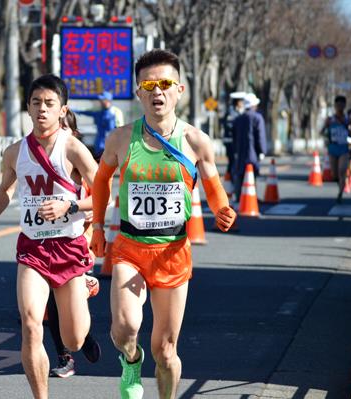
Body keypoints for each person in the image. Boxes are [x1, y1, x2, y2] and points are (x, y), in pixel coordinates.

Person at [90, 49, 237, 399]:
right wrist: (96, 227)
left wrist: (223, 208)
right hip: (130, 248)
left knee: (166, 351)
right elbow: (100, 182)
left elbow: (214, 187)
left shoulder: (196, 141)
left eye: (165, 84)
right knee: (124, 328)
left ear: (179, 90)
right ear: (138, 91)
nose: (158, 92)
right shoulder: (121, 138)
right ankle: (130, 361)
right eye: (149, 85)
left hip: (173, 252)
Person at [0, 74, 98, 398]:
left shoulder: (73, 149)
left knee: (72, 339)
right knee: (31, 324)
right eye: (36, 103)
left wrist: (69, 204)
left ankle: (83, 292)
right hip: (33, 248)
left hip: (69, 247)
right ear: (28, 108)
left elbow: (105, 194)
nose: (41, 110)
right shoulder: (15, 151)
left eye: (49, 103)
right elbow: (5, 188)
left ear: (63, 110)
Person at [47, 109, 101, 379]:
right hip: (42, 245)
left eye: (64, 128)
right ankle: (63, 357)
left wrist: (87, 210)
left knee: (70, 307)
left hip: (77, 243)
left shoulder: (82, 161)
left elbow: (102, 198)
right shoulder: (39, 159)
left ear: (74, 133)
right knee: (49, 304)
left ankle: (84, 335)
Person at [233, 92, 267, 201]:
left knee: (240, 175)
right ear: (253, 105)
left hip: (240, 154)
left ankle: (239, 197)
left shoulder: (238, 119)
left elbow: (234, 137)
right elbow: (260, 136)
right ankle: (251, 199)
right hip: (253, 154)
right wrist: (262, 151)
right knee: (252, 176)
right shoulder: (257, 118)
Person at [74, 90, 124, 159]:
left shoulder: (115, 113)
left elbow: (120, 130)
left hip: (110, 146)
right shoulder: (98, 112)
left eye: (103, 100)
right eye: (100, 100)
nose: (100, 102)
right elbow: (84, 112)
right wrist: (71, 109)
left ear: (108, 101)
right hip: (99, 145)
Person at [322, 95, 351, 202]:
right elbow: (322, 131)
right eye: (338, 104)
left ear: (344, 105)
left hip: (343, 148)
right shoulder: (330, 120)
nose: (340, 106)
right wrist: (325, 133)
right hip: (333, 148)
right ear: (335, 106)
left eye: (342, 104)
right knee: (334, 174)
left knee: (342, 170)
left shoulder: (348, 119)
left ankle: (340, 192)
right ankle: (341, 183)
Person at [221, 91, 246, 177]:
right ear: (237, 102)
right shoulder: (231, 112)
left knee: (235, 161)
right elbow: (230, 125)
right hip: (230, 141)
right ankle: (230, 178)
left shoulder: (238, 111)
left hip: (236, 141)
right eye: (241, 102)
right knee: (232, 161)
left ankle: (233, 177)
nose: (242, 104)